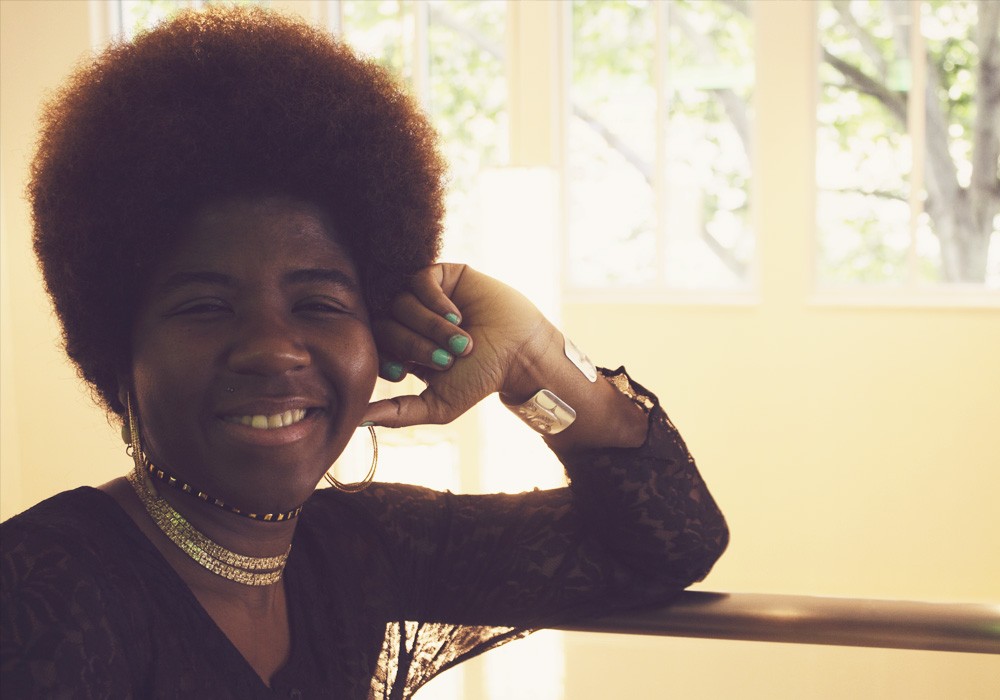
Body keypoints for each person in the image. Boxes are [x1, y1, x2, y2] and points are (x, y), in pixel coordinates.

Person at [0, 7, 728, 698]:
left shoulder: (359, 548)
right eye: (206, 306)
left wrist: (535, 359)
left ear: (377, 332)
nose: (274, 350)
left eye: (318, 304)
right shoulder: (40, 596)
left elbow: (667, 543)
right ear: (116, 348)